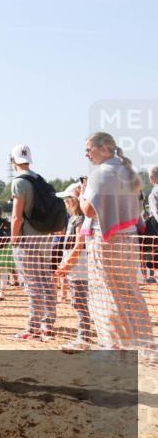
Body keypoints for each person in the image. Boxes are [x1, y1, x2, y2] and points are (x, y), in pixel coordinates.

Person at [80, 132, 153, 352]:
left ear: (104, 149)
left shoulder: (100, 174)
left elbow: (88, 210)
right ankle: (145, 344)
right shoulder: (127, 172)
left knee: (107, 293)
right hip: (129, 239)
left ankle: (115, 346)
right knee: (130, 290)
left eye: (88, 148)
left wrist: (82, 195)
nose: (86, 154)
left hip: (105, 241)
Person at [9, 144, 62, 341]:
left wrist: (14, 238)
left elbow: (17, 216)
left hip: (27, 239)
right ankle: (48, 324)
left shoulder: (19, 182)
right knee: (46, 280)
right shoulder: (39, 178)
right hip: (44, 237)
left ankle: (33, 327)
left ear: (13, 160)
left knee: (32, 284)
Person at [54, 183, 93, 352]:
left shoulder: (80, 219)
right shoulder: (74, 219)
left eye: (66, 199)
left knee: (81, 303)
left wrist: (66, 267)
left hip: (80, 268)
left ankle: (83, 338)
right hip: (76, 267)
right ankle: (83, 336)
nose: (65, 203)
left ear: (73, 200)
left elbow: (78, 246)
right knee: (79, 302)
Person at [143, 165, 158, 284]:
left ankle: (153, 274)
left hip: (155, 226)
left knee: (151, 250)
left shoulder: (153, 194)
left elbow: (156, 213)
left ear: (152, 178)